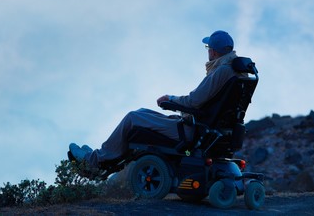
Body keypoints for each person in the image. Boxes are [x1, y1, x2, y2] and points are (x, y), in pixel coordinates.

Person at [69, 30, 239, 171]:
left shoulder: (220, 71)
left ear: (214, 52)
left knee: (132, 118)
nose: (207, 51)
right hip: (202, 127)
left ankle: (94, 161)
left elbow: (193, 101)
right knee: (142, 112)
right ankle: (103, 157)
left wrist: (170, 99)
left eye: (208, 48)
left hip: (192, 131)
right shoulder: (234, 72)